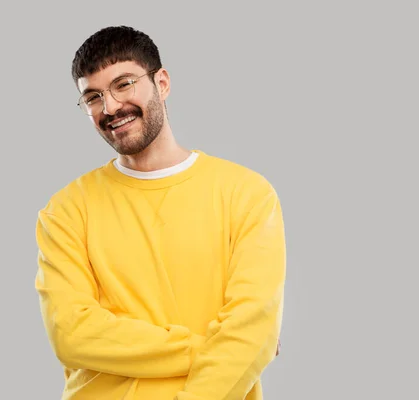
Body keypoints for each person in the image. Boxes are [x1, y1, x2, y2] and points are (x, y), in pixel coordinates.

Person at [35, 25, 286, 400]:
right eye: (92, 97)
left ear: (162, 82)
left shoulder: (246, 194)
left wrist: (251, 342)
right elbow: (71, 334)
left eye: (123, 84)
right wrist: (208, 347)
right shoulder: (66, 211)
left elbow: (251, 328)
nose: (110, 107)